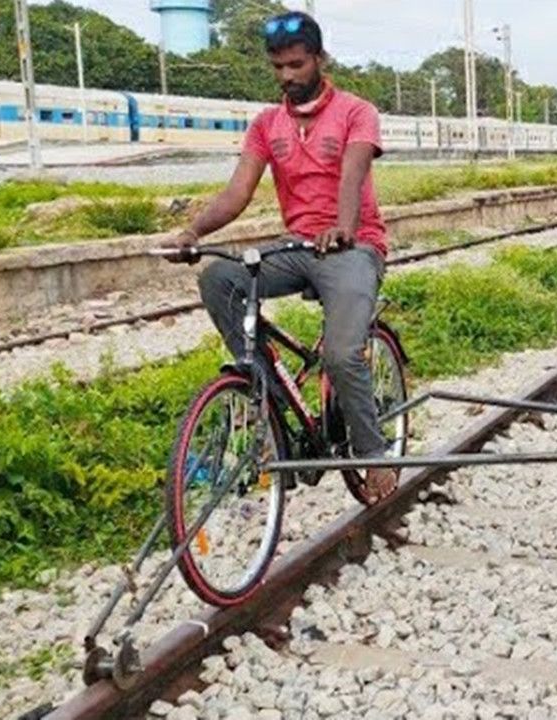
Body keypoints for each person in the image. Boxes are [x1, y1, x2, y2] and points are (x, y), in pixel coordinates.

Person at [160, 11, 398, 503]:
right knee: (219, 278)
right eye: (277, 67)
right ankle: (265, 397)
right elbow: (237, 192)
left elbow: (352, 176)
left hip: (354, 246)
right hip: (298, 247)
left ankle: (375, 457)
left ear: (319, 59)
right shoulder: (268, 124)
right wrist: (193, 231)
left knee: (340, 354)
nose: (287, 76)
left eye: (295, 64)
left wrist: (343, 228)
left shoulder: (357, 111)